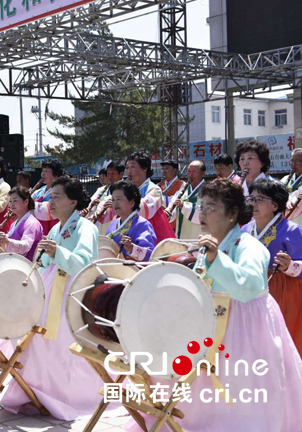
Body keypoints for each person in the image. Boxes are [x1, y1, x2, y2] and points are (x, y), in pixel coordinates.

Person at [127, 179, 302, 431]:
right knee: (204, 390)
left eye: (211, 207)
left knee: (241, 388)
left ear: (232, 214)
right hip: (210, 323)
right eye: (201, 207)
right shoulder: (209, 244)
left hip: (245, 327)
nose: (202, 213)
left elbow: (250, 286)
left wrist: (215, 259)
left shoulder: (248, 245)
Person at [1, 176, 105, 421]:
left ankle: (68, 395)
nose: (51, 202)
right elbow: (47, 262)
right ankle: (39, 390)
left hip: (72, 292)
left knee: (63, 345)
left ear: (73, 200)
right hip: (50, 288)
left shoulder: (86, 227)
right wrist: (48, 255)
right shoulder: (57, 228)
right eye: (51, 197)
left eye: (57, 197)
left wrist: (56, 252)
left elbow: (84, 262)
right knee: (40, 341)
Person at [242, 179, 302, 355]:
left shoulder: (292, 230)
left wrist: (289, 266)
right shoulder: (245, 229)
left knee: (282, 342)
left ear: (275, 204)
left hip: (283, 291)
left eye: (259, 199)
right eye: (251, 199)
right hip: (251, 290)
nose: (253, 203)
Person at [123, 151, 176, 243]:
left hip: (153, 236)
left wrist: (122, 202)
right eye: (127, 168)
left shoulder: (154, 190)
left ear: (144, 168)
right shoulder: (125, 190)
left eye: (132, 167)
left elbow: (145, 211)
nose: (128, 171)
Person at [105, 181, 156, 261]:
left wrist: (131, 248)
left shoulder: (143, 224)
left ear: (132, 202)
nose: (115, 203)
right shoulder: (113, 224)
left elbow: (150, 255)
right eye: (113, 200)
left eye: (119, 199)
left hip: (134, 270)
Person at [0, 186, 43, 260]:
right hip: (15, 263)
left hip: (26, 266)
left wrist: (8, 240)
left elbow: (26, 246)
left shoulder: (32, 223)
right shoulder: (14, 223)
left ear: (26, 201)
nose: (12, 204)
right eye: (10, 201)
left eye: (15, 200)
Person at [170, 160, 207, 240]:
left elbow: (207, 214)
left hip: (200, 239)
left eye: (194, 171)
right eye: (189, 171)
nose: (190, 175)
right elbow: (172, 209)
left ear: (203, 173)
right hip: (182, 237)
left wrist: (184, 206)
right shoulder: (181, 191)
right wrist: (168, 213)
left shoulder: (210, 191)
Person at [32, 159, 63, 235]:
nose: (42, 174)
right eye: (42, 171)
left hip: (52, 227)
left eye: (46, 171)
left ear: (55, 174)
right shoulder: (38, 191)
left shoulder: (60, 191)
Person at [159, 159, 184, 230]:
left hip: (175, 223)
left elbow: (176, 201)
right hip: (162, 222)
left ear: (174, 170)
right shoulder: (160, 185)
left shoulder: (182, 184)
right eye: (163, 169)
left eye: (167, 169)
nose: (164, 171)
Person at [283, 148, 302, 227]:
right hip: (285, 219)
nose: (293, 164)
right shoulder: (285, 179)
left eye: (297, 161)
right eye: (292, 160)